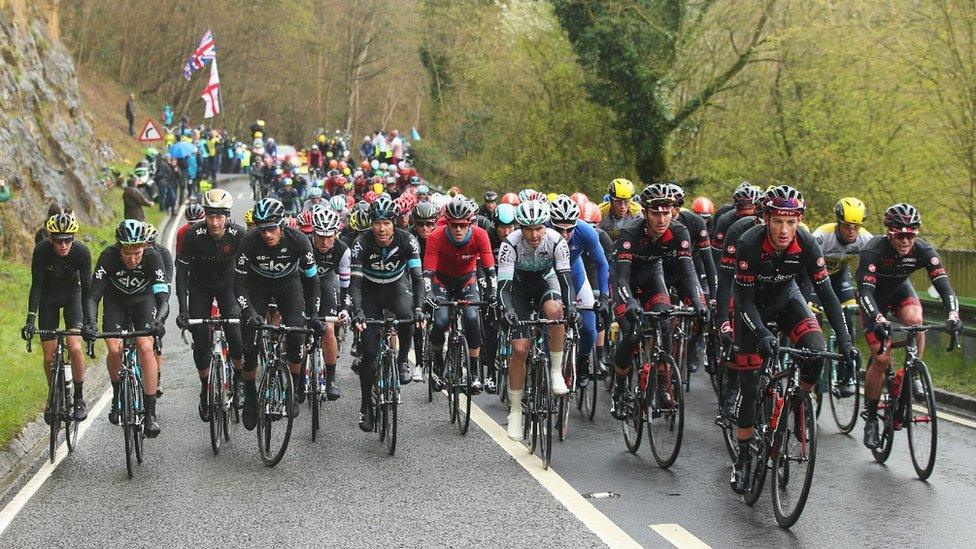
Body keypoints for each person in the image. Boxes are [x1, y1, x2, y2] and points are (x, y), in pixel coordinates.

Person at [729, 185, 856, 494]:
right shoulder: (748, 244)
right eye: (777, 222)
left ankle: (798, 402)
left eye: (791, 221)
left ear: (799, 221)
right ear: (766, 219)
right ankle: (743, 459)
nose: (785, 230)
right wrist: (761, 334)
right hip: (752, 310)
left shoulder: (808, 244)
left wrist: (846, 341)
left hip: (787, 300)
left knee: (816, 352)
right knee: (748, 386)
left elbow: (827, 296)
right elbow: (743, 303)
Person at [858, 203, 962, 450]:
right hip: (873, 300)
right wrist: (879, 320)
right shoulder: (873, 250)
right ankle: (871, 418)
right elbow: (865, 293)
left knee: (916, 322)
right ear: (889, 233)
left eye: (911, 235)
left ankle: (911, 371)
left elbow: (945, 287)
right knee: (881, 360)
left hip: (899, 291)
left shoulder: (924, 250)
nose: (905, 241)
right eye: (900, 235)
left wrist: (954, 314)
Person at [610, 184, 707, 420]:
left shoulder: (679, 231)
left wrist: (699, 300)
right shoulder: (630, 233)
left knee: (664, 323)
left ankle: (663, 385)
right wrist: (629, 301)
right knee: (633, 334)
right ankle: (620, 390)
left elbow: (688, 272)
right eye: (656, 214)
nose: (662, 219)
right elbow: (621, 277)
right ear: (645, 213)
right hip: (626, 283)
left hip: (653, 277)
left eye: (666, 213)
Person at [235, 198, 324, 430]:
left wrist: (314, 315)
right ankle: (251, 397)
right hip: (257, 288)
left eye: (272, 228)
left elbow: (312, 281)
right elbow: (239, 284)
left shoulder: (299, 241)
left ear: (282, 225)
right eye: (262, 228)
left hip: (288, 286)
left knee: (296, 335)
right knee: (250, 345)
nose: (266, 234)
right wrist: (249, 311)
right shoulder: (249, 241)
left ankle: (293, 388)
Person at [497, 200, 576, 440]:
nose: (533, 234)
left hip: (545, 281)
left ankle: (554, 372)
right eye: (527, 229)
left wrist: (570, 306)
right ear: (520, 227)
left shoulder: (557, 241)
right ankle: (516, 411)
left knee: (555, 311)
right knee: (520, 349)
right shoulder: (510, 245)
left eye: (539, 228)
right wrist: (507, 309)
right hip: (518, 290)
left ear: (546, 226)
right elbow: (503, 288)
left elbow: (565, 280)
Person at [82, 220, 169, 437]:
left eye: (137, 253)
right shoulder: (108, 256)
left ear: (145, 247)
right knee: (114, 350)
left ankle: (150, 414)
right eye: (127, 253)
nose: (132, 259)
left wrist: (159, 321)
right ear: (118, 247)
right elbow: (93, 296)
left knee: (146, 347)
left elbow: (163, 298)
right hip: (116, 303)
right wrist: (90, 324)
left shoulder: (153, 257)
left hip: (144, 301)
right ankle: (118, 393)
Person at [349, 196, 424, 431]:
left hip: (395, 288)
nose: (382, 228)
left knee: (407, 316)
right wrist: (358, 311)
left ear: (395, 223)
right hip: (369, 292)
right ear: (371, 224)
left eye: (387, 223)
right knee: (369, 353)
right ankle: (365, 407)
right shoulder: (362, 242)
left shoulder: (407, 240)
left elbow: (417, 278)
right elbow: (355, 284)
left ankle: (402, 361)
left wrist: (420, 307)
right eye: (377, 223)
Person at [176, 189, 245, 420]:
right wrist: (183, 310)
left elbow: (248, 272)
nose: (214, 222)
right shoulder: (193, 234)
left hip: (228, 287)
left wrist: (249, 305)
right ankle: (205, 389)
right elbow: (182, 273)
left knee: (235, 334)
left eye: (219, 217)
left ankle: (238, 378)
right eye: (210, 216)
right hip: (200, 289)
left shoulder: (238, 235)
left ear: (227, 216)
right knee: (201, 342)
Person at [23, 214, 92, 422]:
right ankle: (53, 396)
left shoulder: (81, 252)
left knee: (75, 347)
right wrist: (30, 319)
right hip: (48, 298)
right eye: (58, 240)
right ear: (50, 238)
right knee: (48, 356)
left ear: (74, 237)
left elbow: (88, 290)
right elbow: (36, 287)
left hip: (73, 296)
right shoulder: (42, 251)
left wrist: (90, 321)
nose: (63, 245)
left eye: (68, 239)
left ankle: (79, 397)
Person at [423, 196, 496, 392]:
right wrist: (429, 293)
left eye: (463, 225)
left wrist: (493, 292)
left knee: (472, 318)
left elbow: (490, 269)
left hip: (466, 280)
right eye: (454, 225)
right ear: (447, 223)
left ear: (470, 223)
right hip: (441, 281)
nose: (458, 229)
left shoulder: (480, 235)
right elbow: (428, 272)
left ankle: (473, 373)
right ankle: (437, 366)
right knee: (440, 321)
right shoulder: (436, 236)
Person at [809, 197, 872, 396]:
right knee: (813, 317)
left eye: (856, 226)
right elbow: (805, 265)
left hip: (839, 277)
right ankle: (811, 365)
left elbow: (869, 272)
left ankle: (846, 375)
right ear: (838, 222)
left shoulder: (866, 239)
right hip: (815, 278)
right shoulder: (821, 236)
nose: (852, 230)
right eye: (847, 226)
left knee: (848, 317)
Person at [549, 195, 608, 390]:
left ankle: (582, 361)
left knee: (590, 329)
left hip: (575, 272)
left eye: (569, 229)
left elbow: (602, 264)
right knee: (548, 320)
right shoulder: (541, 230)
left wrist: (605, 297)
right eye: (559, 229)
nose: (564, 235)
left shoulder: (586, 232)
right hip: (550, 274)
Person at [309, 209, 351, 401]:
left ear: (336, 233)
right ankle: (300, 376)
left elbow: (345, 284)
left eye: (329, 237)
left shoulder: (343, 249)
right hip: (303, 285)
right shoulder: (303, 245)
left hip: (326, 282)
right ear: (313, 233)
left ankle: (331, 379)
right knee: (300, 328)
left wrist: (345, 308)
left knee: (328, 329)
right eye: (320, 237)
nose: (325, 242)